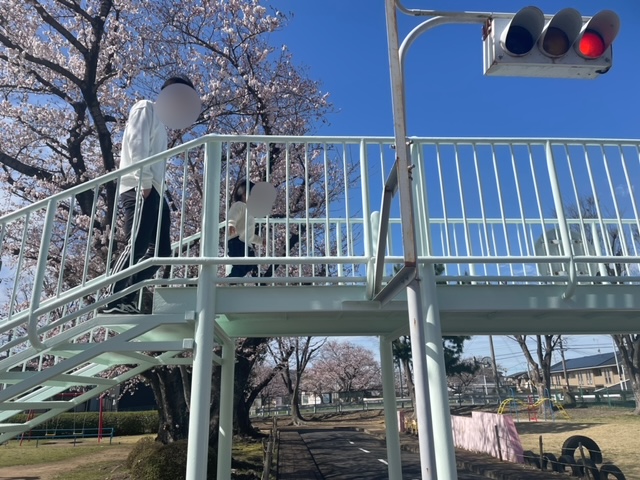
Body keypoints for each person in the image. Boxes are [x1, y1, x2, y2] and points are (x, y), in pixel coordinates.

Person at [100, 75, 197, 314]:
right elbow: (136, 143)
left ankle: (127, 297)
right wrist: (144, 183)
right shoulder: (146, 107)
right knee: (137, 243)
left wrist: (155, 190)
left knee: (162, 252)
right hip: (138, 186)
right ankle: (109, 298)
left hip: (156, 191)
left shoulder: (162, 124)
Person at [226, 179, 262, 279]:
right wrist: (231, 224)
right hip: (236, 241)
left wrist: (260, 241)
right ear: (244, 194)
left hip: (245, 243)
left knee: (249, 264)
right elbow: (232, 215)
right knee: (241, 264)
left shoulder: (249, 212)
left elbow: (249, 234)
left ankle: (231, 280)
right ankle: (230, 280)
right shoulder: (239, 205)